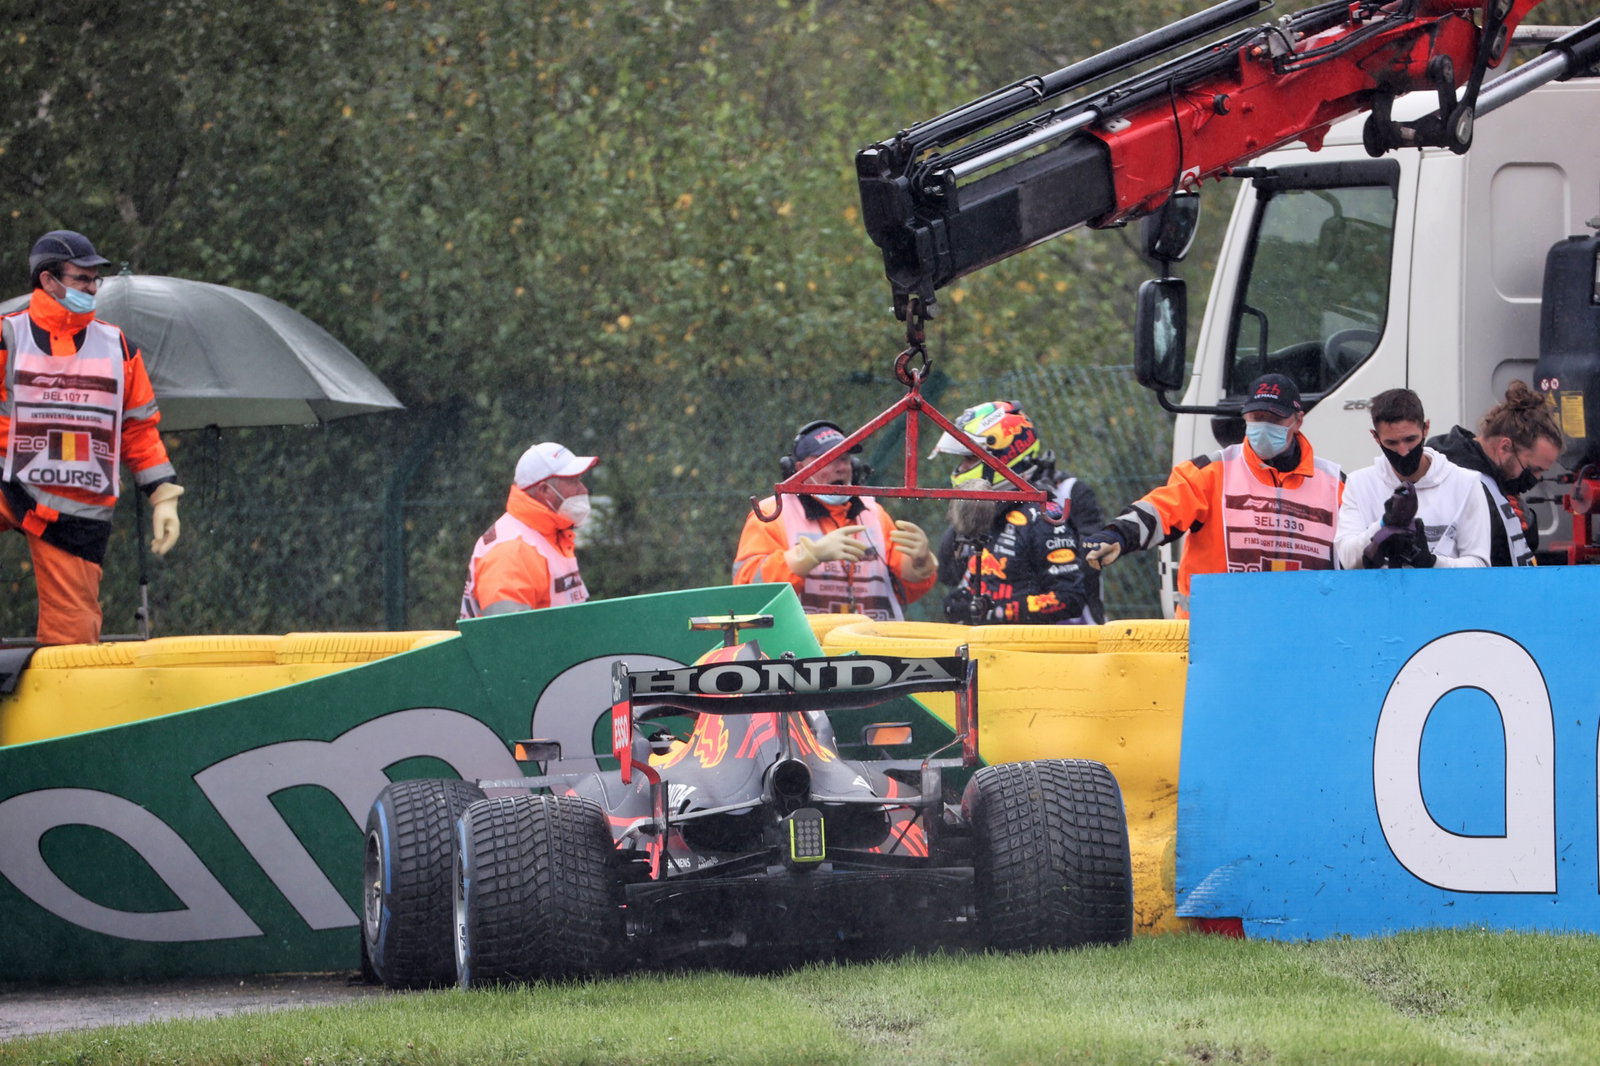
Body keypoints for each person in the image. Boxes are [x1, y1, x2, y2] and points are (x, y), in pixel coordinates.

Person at [0, 230, 183, 645]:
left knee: (74, 639)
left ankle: (68, 706)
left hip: (76, 507)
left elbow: (139, 430)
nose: (92, 288)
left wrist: (163, 495)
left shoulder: (119, 347)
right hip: (7, 478)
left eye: (94, 279)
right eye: (82, 278)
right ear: (48, 281)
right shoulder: (7, 337)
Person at [1085, 373, 1343, 617]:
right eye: (1255, 417)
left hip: (1305, 633)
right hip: (1212, 634)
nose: (1263, 427)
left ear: (1298, 420)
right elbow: (1162, 509)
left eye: (1274, 419)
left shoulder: (1335, 484)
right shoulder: (1210, 472)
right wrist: (1118, 534)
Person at [733, 419, 937, 620]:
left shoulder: (874, 514)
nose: (841, 468)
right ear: (798, 468)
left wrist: (921, 564)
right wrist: (806, 557)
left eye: (845, 458)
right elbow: (748, 590)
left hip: (873, 646)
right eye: (828, 459)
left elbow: (906, 591)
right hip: (799, 648)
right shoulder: (771, 514)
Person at [929, 400, 1102, 624]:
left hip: (1044, 648)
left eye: (969, 459)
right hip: (989, 647)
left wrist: (994, 612)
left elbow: (1071, 595)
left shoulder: (1044, 513)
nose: (961, 469)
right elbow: (950, 575)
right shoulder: (983, 509)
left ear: (1003, 455)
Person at [1334, 388, 1490, 569]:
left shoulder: (1465, 483)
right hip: (1383, 595)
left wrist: (1431, 562)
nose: (1403, 451)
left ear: (1426, 428)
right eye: (1391, 442)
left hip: (1443, 596)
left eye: (1410, 439)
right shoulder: (1359, 483)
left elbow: (1479, 565)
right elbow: (1346, 559)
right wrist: (1384, 525)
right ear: (1375, 437)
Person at [1426, 380, 1563, 566]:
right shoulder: (1453, 478)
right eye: (1533, 469)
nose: (1535, 479)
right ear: (1505, 447)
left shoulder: (1496, 478)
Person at [460, 441, 596, 617]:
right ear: (545, 490)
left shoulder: (549, 537)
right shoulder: (512, 552)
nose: (583, 489)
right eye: (573, 481)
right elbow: (507, 637)